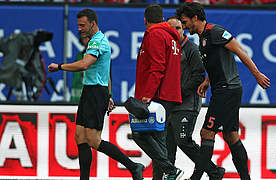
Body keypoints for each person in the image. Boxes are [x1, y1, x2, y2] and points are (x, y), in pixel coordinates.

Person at [176, 2, 271, 180]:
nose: (184, 26)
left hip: (227, 90)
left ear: (195, 18)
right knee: (230, 135)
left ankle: (195, 177)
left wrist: (257, 75)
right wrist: (207, 81)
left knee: (206, 132)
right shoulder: (203, 38)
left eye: (185, 21)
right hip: (224, 89)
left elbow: (240, 52)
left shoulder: (216, 32)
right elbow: (217, 62)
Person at [48, 8, 144, 180]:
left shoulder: (98, 42)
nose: (79, 29)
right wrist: (109, 95)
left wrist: (60, 66)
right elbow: (105, 72)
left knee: (93, 140)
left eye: (82, 25)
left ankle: (133, 166)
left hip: (95, 93)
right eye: (78, 25)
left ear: (93, 23)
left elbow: (85, 64)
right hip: (90, 91)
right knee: (80, 137)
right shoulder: (95, 41)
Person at [164, 16, 225, 180]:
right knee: (168, 145)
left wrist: (179, 94)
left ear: (183, 30)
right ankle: (168, 175)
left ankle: (214, 171)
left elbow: (199, 76)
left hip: (187, 103)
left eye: (178, 28)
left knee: (183, 141)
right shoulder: (166, 48)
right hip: (170, 104)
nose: (174, 32)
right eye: (170, 29)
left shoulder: (191, 48)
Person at [132, 4, 184, 180]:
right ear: (163, 19)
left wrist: (147, 94)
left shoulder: (154, 34)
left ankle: (170, 170)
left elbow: (157, 68)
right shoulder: (172, 37)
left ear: (145, 20)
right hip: (169, 93)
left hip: (158, 95)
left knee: (140, 133)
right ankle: (164, 174)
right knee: (159, 137)